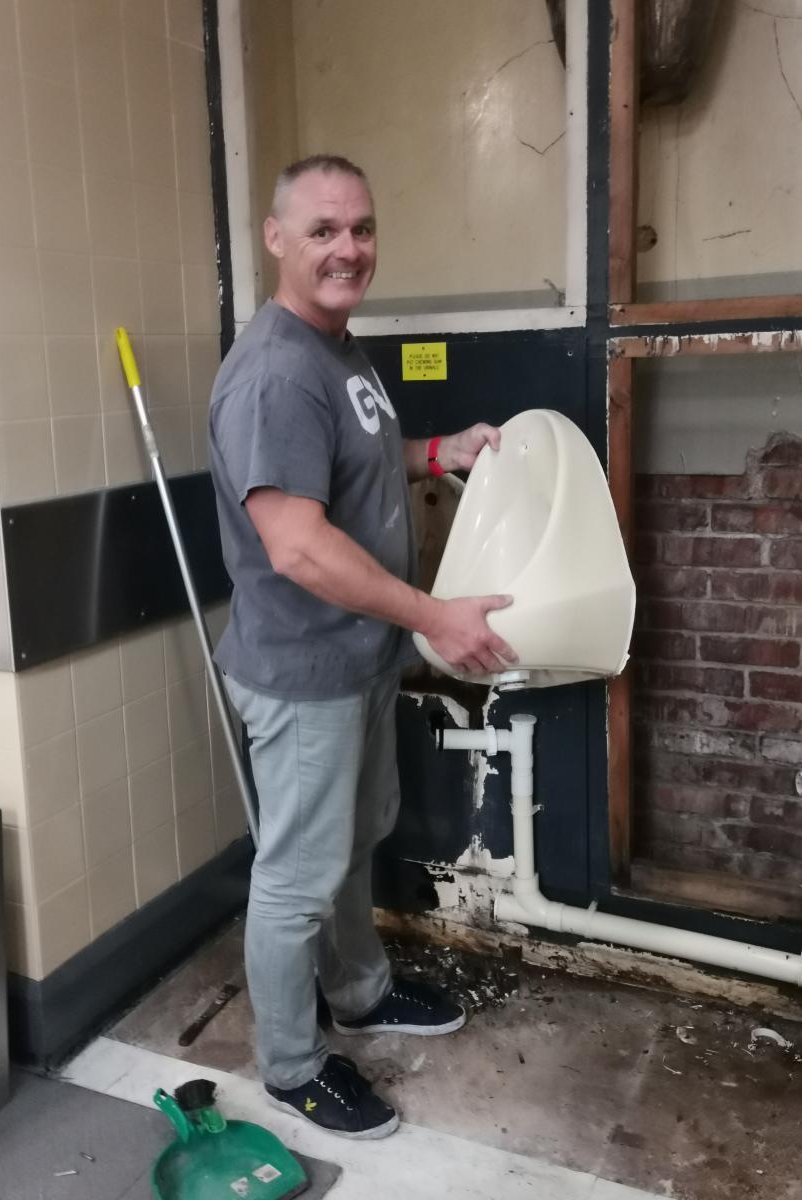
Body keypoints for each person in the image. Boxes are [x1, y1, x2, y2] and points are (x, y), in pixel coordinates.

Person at [208, 154, 516, 1140]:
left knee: (349, 844)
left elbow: (353, 467)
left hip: (356, 660)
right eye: (323, 230)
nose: (348, 249)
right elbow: (297, 545)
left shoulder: (338, 350)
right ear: (276, 239)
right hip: (304, 675)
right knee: (298, 876)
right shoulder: (277, 374)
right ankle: (291, 1067)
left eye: (362, 228)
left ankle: (361, 992)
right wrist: (432, 615)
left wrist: (437, 452)